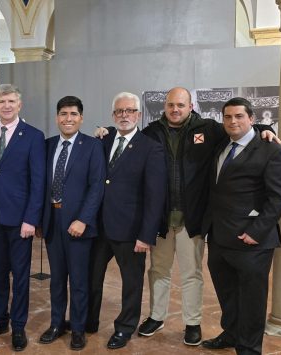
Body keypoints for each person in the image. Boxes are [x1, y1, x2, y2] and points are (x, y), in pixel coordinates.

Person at [95, 87, 279, 346]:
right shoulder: (152, 132)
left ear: (190, 106)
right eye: (170, 105)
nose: (175, 109)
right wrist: (106, 131)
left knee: (192, 272)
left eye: (180, 105)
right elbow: (125, 136)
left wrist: (262, 129)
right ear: (165, 107)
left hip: (192, 218)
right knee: (158, 269)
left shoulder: (209, 129)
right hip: (159, 217)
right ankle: (156, 316)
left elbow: (237, 128)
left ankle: (192, 322)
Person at [201, 97, 281, 355]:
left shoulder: (273, 151)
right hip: (219, 237)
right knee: (228, 294)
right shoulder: (221, 145)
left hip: (251, 240)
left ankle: (249, 348)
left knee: (251, 300)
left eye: (239, 116)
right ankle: (231, 334)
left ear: (252, 119)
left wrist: (256, 232)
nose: (233, 121)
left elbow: (279, 197)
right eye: (228, 117)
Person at [86, 92, 167, 350]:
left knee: (131, 283)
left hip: (131, 231)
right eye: (119, 111)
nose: (124, 115)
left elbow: (155, 196)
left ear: (139, 115)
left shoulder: (151, 147)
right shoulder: (103, 139)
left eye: (130, 111)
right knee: (91, 277)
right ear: (113, 116)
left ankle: (124, 328)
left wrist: (146, 235)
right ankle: (89, 321)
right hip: (99, 227)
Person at [0, 84, 46, 352]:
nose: (6, 105)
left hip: (20, 220)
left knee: (21, 275)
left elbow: (38, 182)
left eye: (11, 101)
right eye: (1, 101)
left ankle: (18, 326)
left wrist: (31, 219)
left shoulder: (33, 136)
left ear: (19, 104)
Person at [37, 96, 105, 351]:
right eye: (63, 114)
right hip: (52, 221)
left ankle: (77, 328)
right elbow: (40, 184)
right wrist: (40, 219)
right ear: (57, 117)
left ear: (81, 118)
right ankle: (56, 324)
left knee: (78, 281)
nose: (68, 118)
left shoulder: (91, 146)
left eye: (73, 114)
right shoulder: (47, 145)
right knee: (56, 280)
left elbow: (96, 186)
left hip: (78, 225)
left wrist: (83, 220)